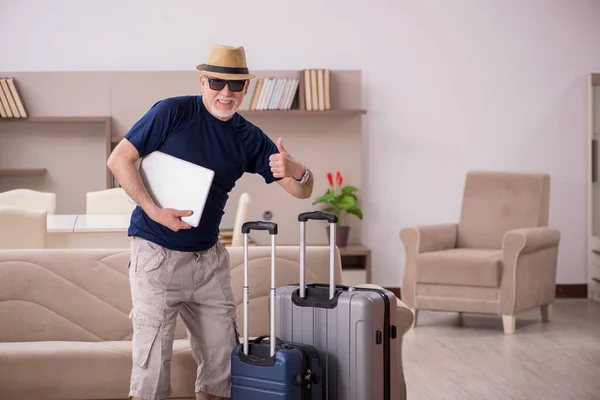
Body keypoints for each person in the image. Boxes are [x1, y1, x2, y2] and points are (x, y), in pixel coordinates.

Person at [107, 44, 314, 400]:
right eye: (217, 83)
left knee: (222, 370)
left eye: (235, 86)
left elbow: (302, 191)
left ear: (245, 89)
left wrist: (298, 171)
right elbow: (120, 160)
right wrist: (154, 210)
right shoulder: (172, 112)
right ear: (203, 81)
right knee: (151, 374)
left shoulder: (247, 136)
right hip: (156, 256)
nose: (225, 93)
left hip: (209, 262)